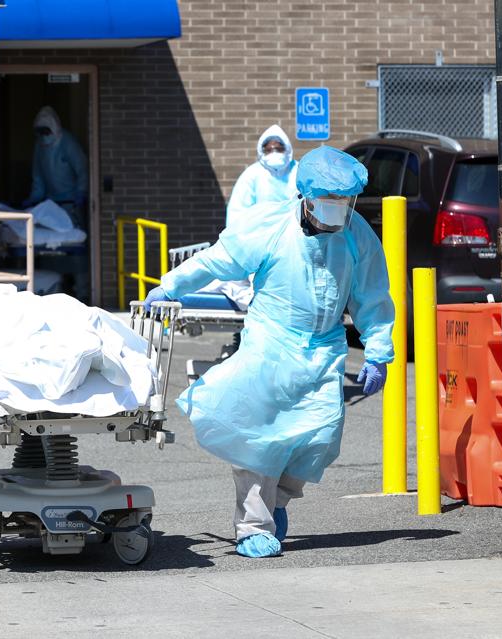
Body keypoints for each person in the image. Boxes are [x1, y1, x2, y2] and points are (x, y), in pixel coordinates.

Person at [145, 146, 394, 558]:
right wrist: (172, 286)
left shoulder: (357, 233)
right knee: (259, 440)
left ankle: (277, 499)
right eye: (328, 202)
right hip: (271, 344)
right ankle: (253, 525)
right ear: (307, 196)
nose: (336, 211)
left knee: (319, 438)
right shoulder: (272, 225)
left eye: (343, 202)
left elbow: (372, 298)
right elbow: (217, 261)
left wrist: (378, 351)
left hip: (325, 349)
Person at [21, 106, 89, 229]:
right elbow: (38, 175)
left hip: (72, 201)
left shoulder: (68, 143)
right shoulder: (39, 145)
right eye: (40, 132)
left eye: (46, 132)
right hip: (51, 201)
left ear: (55, 128)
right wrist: (35, 197)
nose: (44, 136)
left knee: (73, 231)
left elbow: (82, 168)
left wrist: (81, 191)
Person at [226, 125, 299, 227]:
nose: (274, 152)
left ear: (287, 149)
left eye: (278, 149)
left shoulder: (298, 171)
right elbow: (238, 210)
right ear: (262, 151)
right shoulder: (252, 174)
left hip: (293, 231)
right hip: (261, 233)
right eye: (269, 150)